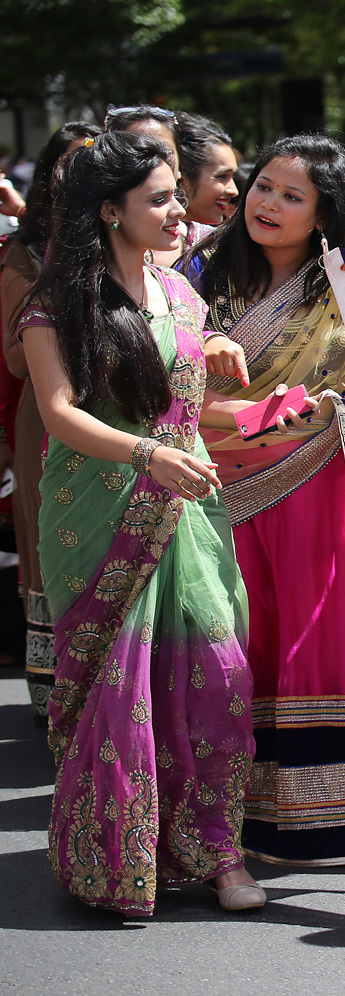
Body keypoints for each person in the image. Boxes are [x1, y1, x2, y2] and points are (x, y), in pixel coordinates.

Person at [18, 130, 263, 914]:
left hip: (188, 511)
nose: (177, 212)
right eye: (157, 199)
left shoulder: (181, 291)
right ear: (108, 211)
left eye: (174, 195)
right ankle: (118, 854)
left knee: (217, 677)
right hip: (98, 506)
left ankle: (218, 848)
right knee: (121, 687)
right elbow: (57, 413)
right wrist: (148, 457)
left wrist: (224, 355)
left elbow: (186, 386)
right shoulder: (56, 303)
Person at [186, 133, 345, 866]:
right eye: (263, 187)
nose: (269, 204)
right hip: (212, 485)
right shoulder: (195, 272)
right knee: (230, 644)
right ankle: (226, 822)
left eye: (293, 196)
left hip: (316, 483)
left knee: (318, 638)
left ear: (323, 214)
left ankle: (340, 822)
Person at [0, 121, 101, 725]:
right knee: (53, 554)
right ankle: (57, 699)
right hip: (47, 418)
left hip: (122, 420)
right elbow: (15, 355)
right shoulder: (27, 254)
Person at [174, 112, 239, 241]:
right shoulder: (133, 242)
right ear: (182, 178)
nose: (234, 191)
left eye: (232, 177)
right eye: (222, 176)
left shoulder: (220, 248)